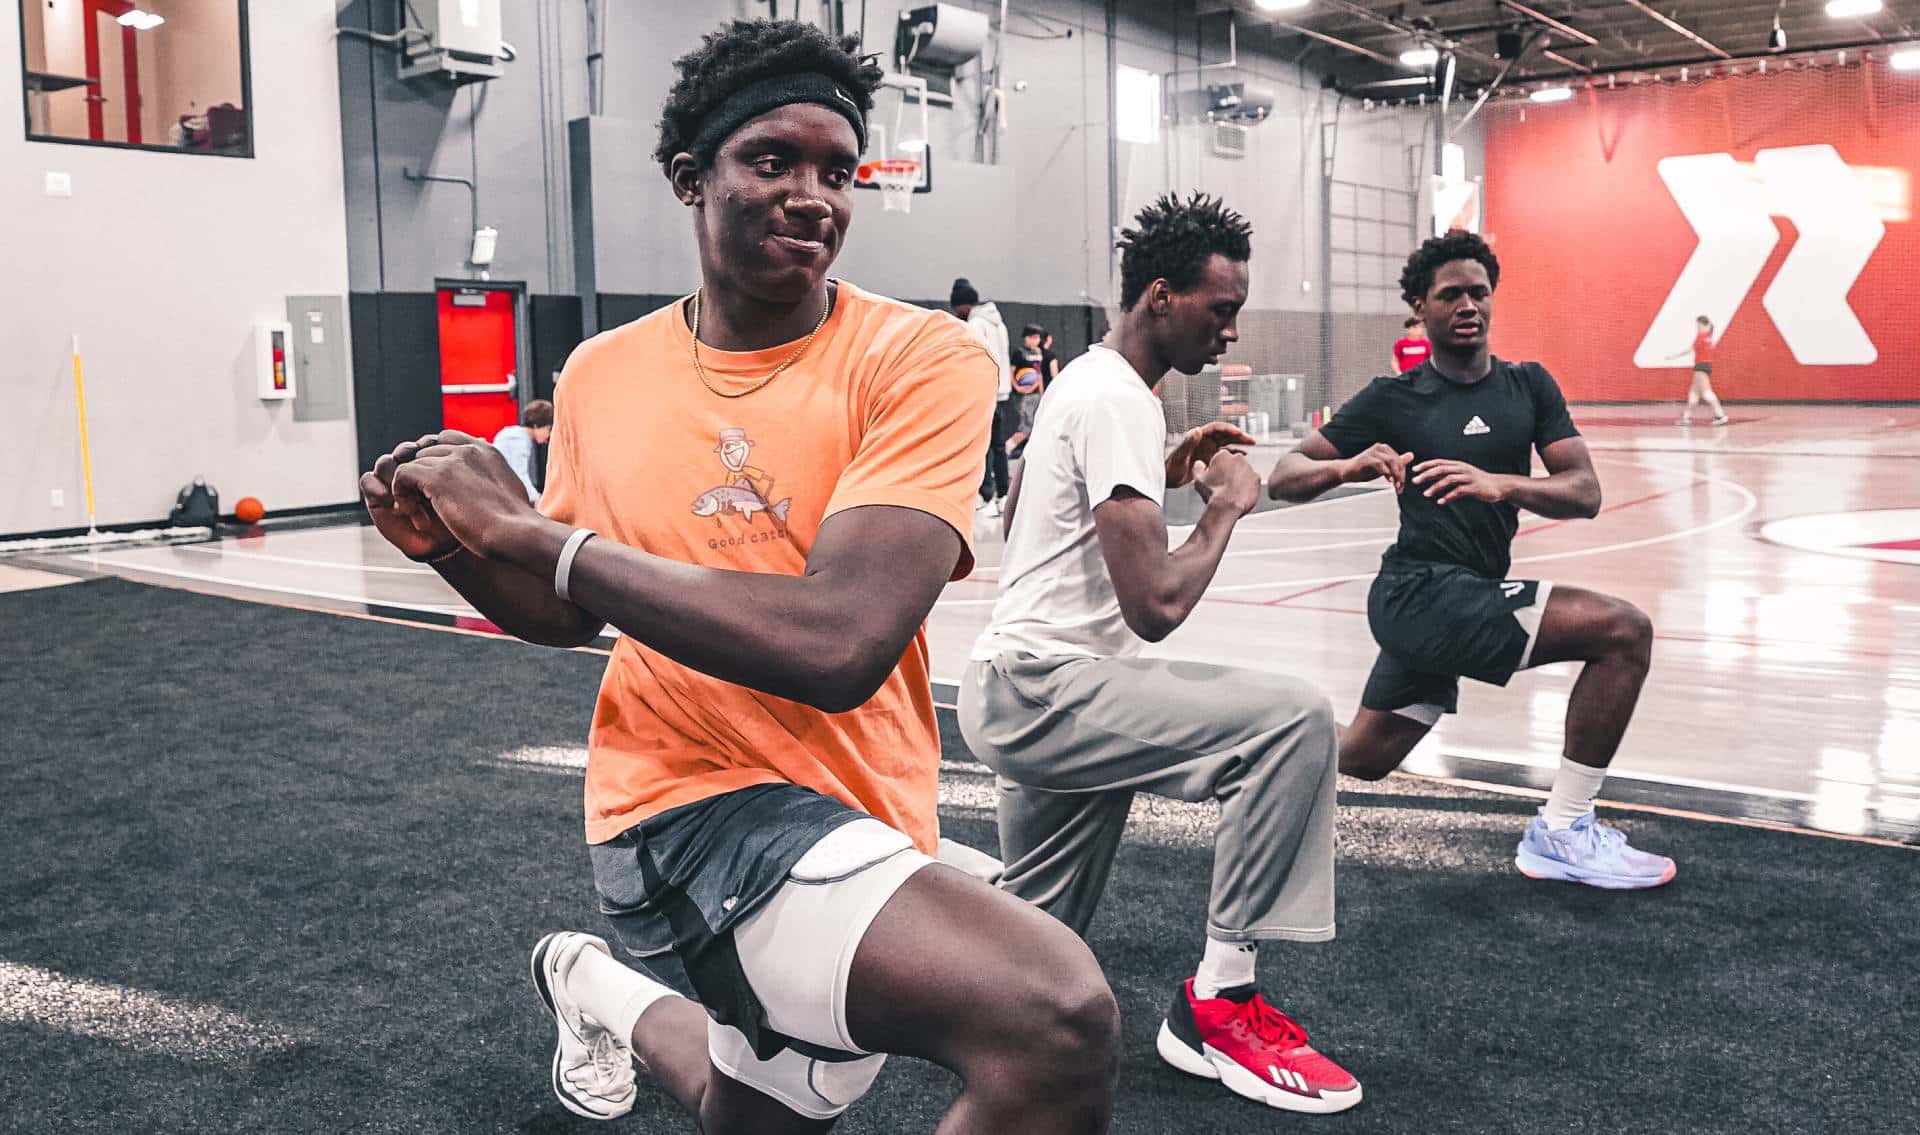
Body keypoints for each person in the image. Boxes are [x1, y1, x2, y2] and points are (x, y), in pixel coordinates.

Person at [359, 19, 1120, 1133]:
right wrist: (458, 552)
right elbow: (567, 613)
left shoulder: (927, 358)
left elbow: (839, 644)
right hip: (677, 808)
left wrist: (524, 535)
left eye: (836, 170)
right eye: (771, 160)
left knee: (756, 1105)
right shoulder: (602, 374)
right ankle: (615, 966)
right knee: (1053, 1014)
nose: (812, 195)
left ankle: (592, 985)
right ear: (690, 179)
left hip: (866, 799)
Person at [959, 192, 1363, 1116]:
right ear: (1159, 295)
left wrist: (1161, 463)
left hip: (1020, 681)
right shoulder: (1113, 399)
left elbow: (1027, 515)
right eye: (1219, 308)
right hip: (1047, 689)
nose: (1232, 328)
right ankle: (1218, 1003)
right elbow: (1156, 606)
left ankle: (906, 973)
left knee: (1032, 948)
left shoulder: (1087, 386)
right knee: (1293, 719)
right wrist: (1228, 499)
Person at [1267, 229, 1676, 891]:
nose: (1469, 306)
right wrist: (1348, 464)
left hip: (1461, 596)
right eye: (1451, 294)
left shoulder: (1528, 386)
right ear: (1419, 308)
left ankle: (1260, 737)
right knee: (1625, 631)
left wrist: (1503, 484)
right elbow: (1285, 475)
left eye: (1479, 293)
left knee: (1364, 758)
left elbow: (1586, 491)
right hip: (1420, 592)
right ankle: (1564, 830)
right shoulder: (1393, 398)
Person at [952, 277, 1013, 516]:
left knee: (983, 446)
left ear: (963, 306)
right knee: (998, 446)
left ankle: (986, 496)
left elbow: (974, 358)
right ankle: (1003, 494)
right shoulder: (999, 322)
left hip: (984, 391)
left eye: (957, 310)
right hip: (1002, 391)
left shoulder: (976, 323)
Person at [1667, 315, 1728, 426]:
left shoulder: (1701, 337)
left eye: (1698, 325)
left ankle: (1721, 415)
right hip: (1705, 366)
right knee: (1694, 393)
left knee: (1706, 393)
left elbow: (1689, 350)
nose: (1697, 328)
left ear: (1702, 324)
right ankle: (1686, 417)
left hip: (1701, 366)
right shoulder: (1709, 337)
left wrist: (1673, 356)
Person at [492, 399, 554, 502]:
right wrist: (537, 499)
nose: (549, 435)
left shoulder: (514, 435)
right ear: (536, 425)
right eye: (548, 429)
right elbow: (519, 474)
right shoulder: (519, 440)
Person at [1007, 323, 1047, 460]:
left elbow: (1039, 373)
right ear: (1026, 337)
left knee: (1034, 427)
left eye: (1038, 338)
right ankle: (1008, 447)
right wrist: (1016, 387)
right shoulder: (1019, 352)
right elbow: (1011, 372)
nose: (1036, 341)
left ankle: (1028, 456)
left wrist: (1041, 393)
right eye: (1033, 337)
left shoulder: (1038, 352)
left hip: (1035, 393)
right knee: (1026, 427)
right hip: (1023, 395)